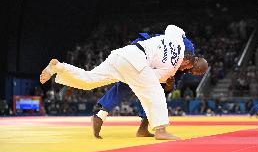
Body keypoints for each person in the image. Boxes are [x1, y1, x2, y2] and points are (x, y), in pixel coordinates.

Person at [40, 25, 208, 140]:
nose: (187, 71)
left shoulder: (177, 39)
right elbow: (152, 79)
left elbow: (173, 27)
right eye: (189, 69)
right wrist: (169, 80)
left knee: (89, 80)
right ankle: (161, 130)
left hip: (122, 53)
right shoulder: (172, 68)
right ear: (188, 63)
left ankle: (58, 67)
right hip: (137, 61)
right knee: (155, 93)